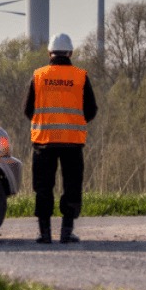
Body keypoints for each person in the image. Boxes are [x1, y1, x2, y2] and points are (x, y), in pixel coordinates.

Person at [24, 33, 97, 243]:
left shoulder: (38, 75)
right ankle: (66, 231)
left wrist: (43, 122)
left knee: (43, 187)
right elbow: (91, 109)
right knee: (72, 186)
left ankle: (44, 233)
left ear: (49, 53)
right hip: (72, 142)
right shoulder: (80, 76)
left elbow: (28, 108)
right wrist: (76, 123)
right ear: (70, 53)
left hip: (44, 141)